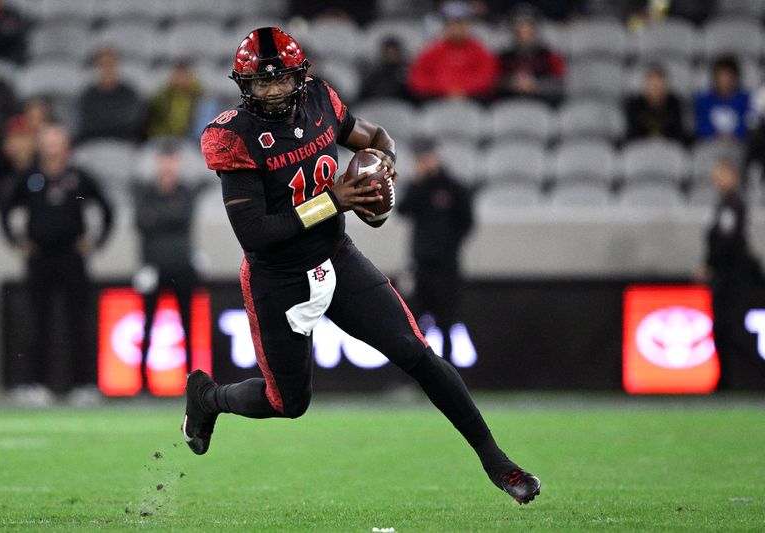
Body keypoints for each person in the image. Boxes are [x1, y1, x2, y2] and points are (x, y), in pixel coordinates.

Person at [185, 26, 540, 505]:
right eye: (260, 83)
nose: (271, 91)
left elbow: (375, 135)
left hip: (337, 256)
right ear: (243, 85)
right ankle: (208, 398)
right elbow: (255, 232)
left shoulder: (321, 101)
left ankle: (498, 463)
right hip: (279, 278)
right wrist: (333, 201)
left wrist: (384, 163)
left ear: (299, 77)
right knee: (286, 403)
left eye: (280, 80)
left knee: (419, 355)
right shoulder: (235, 136)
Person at [0, 124, 114, 400]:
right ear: (40, 146)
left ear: (66, 147)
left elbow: (107, 208)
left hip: (72, 258)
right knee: (37, 322)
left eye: (56, 143)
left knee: (78, 322)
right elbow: (3, 209)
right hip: (40, 259)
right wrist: (18, 242)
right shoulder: (29, 178)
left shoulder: (78, 178)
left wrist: (95, 242)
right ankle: (35, 384)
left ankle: (83, 385)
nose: (52, 148)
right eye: (47, 143)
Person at [132, 144, 209, 394]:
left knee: (188, 324)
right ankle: (142, 382)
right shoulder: (145, 193)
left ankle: (190, 381)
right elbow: (143, 223)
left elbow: (176, 216)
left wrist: (159, 218)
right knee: (147, 325)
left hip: (182, 268)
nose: (167, 167)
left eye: (172, 162)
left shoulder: (185, 192)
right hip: (154, 268)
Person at [397, 138, 474, 361]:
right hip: (421, 265)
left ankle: (450, 371)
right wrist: (418, 183)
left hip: (446, 267)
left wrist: (448, 247)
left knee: (447, 321)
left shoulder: (453, 187)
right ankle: (414, 374)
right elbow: (402, 210)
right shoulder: (418, 187)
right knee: (414, 322)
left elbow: (466, 222)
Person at [697, 159, 762, 389]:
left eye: (721, 173)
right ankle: (726, 380)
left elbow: (728, 242)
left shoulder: (733, 205)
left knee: (732, 329)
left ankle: (738, 380)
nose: (716, 177)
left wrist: (711, 265)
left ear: (732, 175)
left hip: (733, 279)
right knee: (724, 329)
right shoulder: (725, 205)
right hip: (727, 278)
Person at [407, 2, 497, 102]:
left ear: (468, 25)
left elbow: (488, 77)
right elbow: (417, 78)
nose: (457, 28)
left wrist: (463, 90)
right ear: (446, 26)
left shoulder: (480, 51)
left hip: (472, 100)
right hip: (437, 100)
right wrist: (444, 90)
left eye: (461, 23)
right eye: (453, 24)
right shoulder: (432, 50)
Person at [496, 3, 565, 105]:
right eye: (519, 26)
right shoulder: (503, 57)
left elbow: (559, 85)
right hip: (510, 105)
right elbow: (494, 82)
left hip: (542, 104)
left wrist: (537, 85)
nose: (524, 30)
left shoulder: (549, 55)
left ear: (535, 28)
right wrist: (513, 84)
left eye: (528, 25)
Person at [75, 48, 144, 143]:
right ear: (96, 68)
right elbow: (87, 125)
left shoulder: (130, 94)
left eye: (110, 64)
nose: (107, 69)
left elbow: (131, 123)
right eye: (102, 65)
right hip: (93, 143)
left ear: (117, 66)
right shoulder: (87, 95)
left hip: (124, 143)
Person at [625, 64, 686, 144]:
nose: (656, 88)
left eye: (659, 84)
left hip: (669, 147)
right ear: (646, 85)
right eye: (653, 84)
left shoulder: (675, 103)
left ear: (665, 85)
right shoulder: (634, 105)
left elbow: (677, 132)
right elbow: (633, 133)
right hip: (641, 147)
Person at [694, 55, 751, 142]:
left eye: (728, 77)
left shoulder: (745, 99)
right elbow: (702, 127)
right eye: (720, 77)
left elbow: (747, 125)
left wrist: (733, 135)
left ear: (735, 78)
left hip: (739, 144)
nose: (724, 82)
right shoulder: (703, 100)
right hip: (710, 143)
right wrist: (715, 135)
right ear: (714, 78)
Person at [146, 60, 204, 139]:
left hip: (190, 139)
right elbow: (153, 122)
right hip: (164, 137)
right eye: (178, 75)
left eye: (184, 75)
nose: (181, 79)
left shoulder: (201, 96)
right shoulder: (162, 96)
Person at [359, 36, 410, 102]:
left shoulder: (408, 74)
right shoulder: (375, 76)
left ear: (400, 53)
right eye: (388, 53)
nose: (391, 56)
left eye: (394, 53)